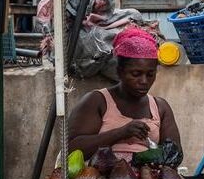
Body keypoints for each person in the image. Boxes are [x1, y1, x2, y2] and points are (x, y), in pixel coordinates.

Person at [67, 27, 181, 161]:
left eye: (150, 75)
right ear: (119, 71)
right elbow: (72, 149)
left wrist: (141, 160)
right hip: (100, 178)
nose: (144, 81)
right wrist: (121, 132)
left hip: (147, 178)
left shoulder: (160, 107)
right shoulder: (97, 101)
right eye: (136, 74)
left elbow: (175, 154)